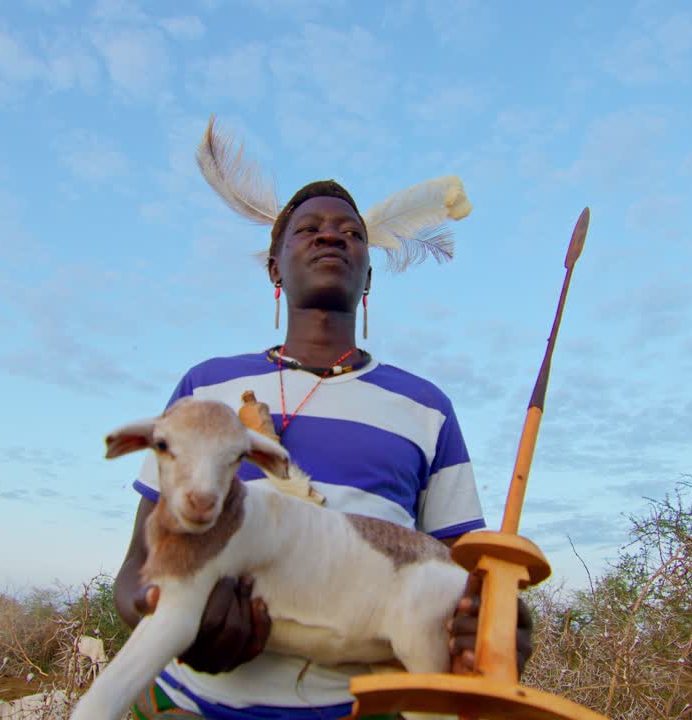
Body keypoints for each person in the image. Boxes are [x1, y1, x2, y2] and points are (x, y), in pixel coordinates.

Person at [112, 177, 534, 719]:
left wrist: (494, 628)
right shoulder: (205, 388)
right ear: (274, 268)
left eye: (351, 233)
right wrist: (170, 617)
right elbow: (138, 567)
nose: (330, 238)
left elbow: (460, 581)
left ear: (369, 277)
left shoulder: (426, 407)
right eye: (308, 230)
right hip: (193, 704)